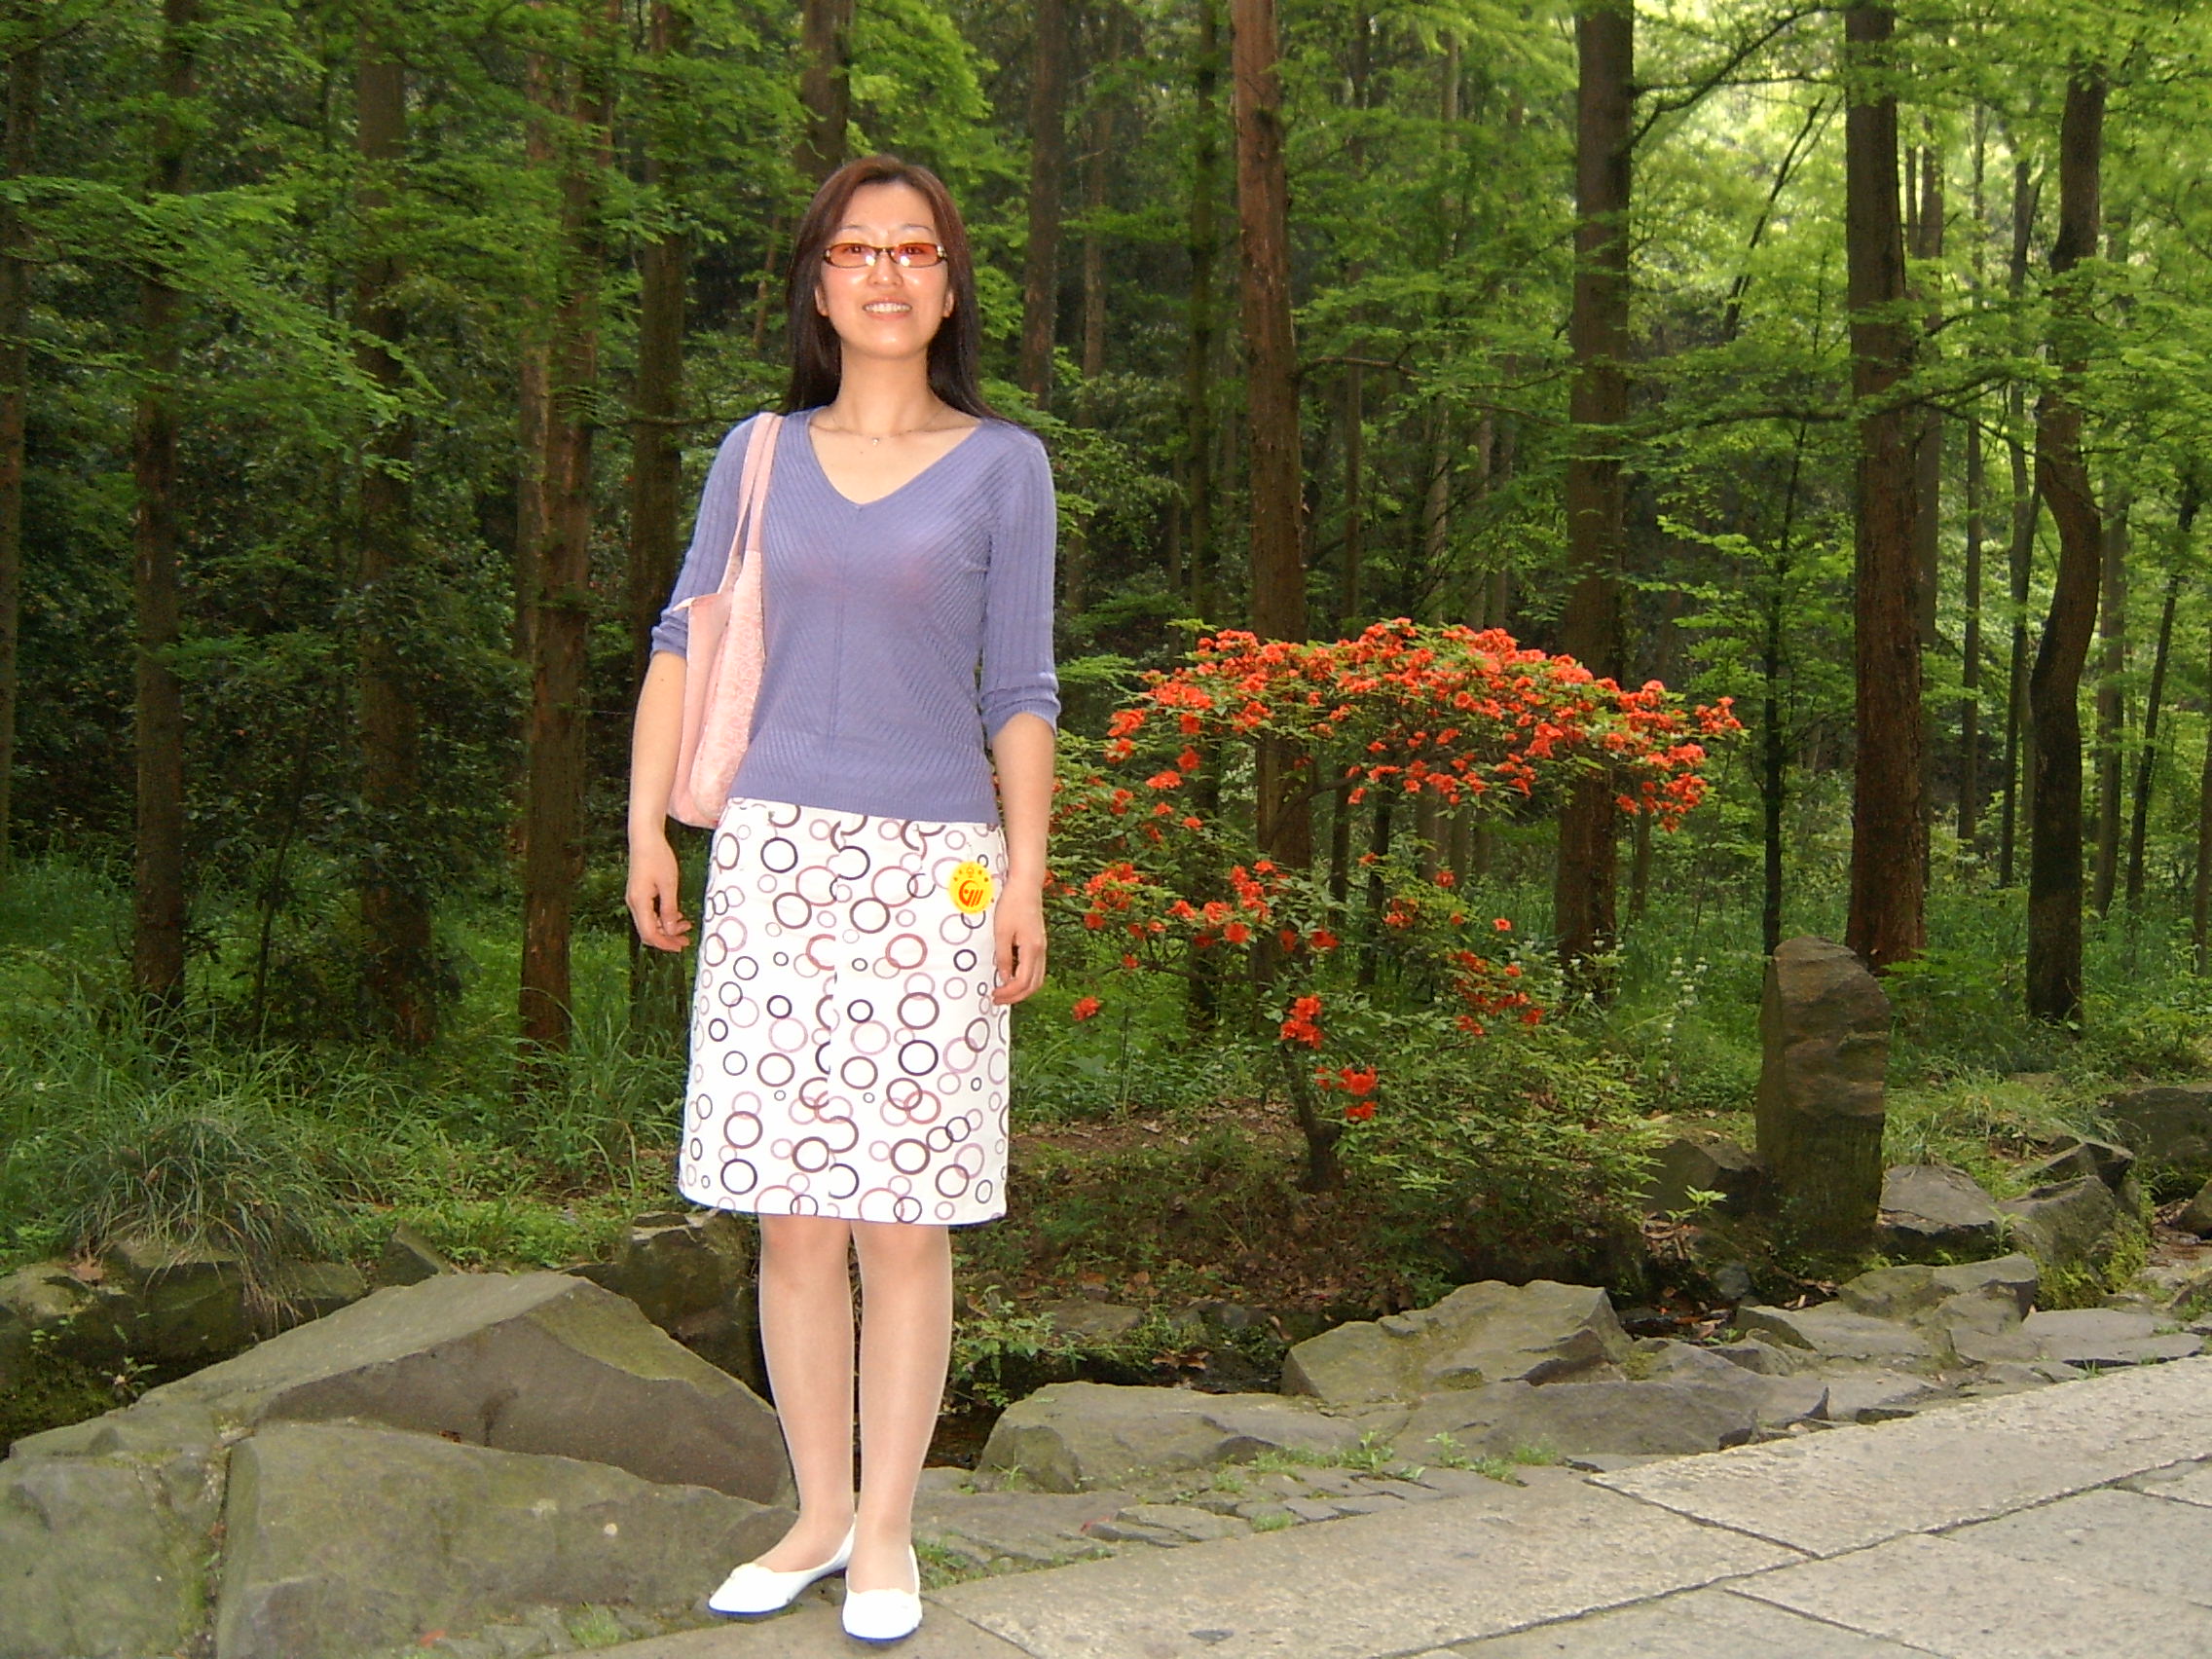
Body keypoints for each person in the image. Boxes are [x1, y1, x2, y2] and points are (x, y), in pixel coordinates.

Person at [624, 155, 1057, 1644]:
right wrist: (646, 829)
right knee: (796, 1221)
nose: (886, 272)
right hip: (773, 859)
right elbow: (684, 641)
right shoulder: (757, 454)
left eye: (914, 249)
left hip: (935, 871)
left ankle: (887, 1532)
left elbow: (1022, 687)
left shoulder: (1005, 466)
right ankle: (816, 1514)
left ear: (948, 285)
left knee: (902, 1220)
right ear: (818, 285)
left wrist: (1027, 876)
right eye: (857, 249)